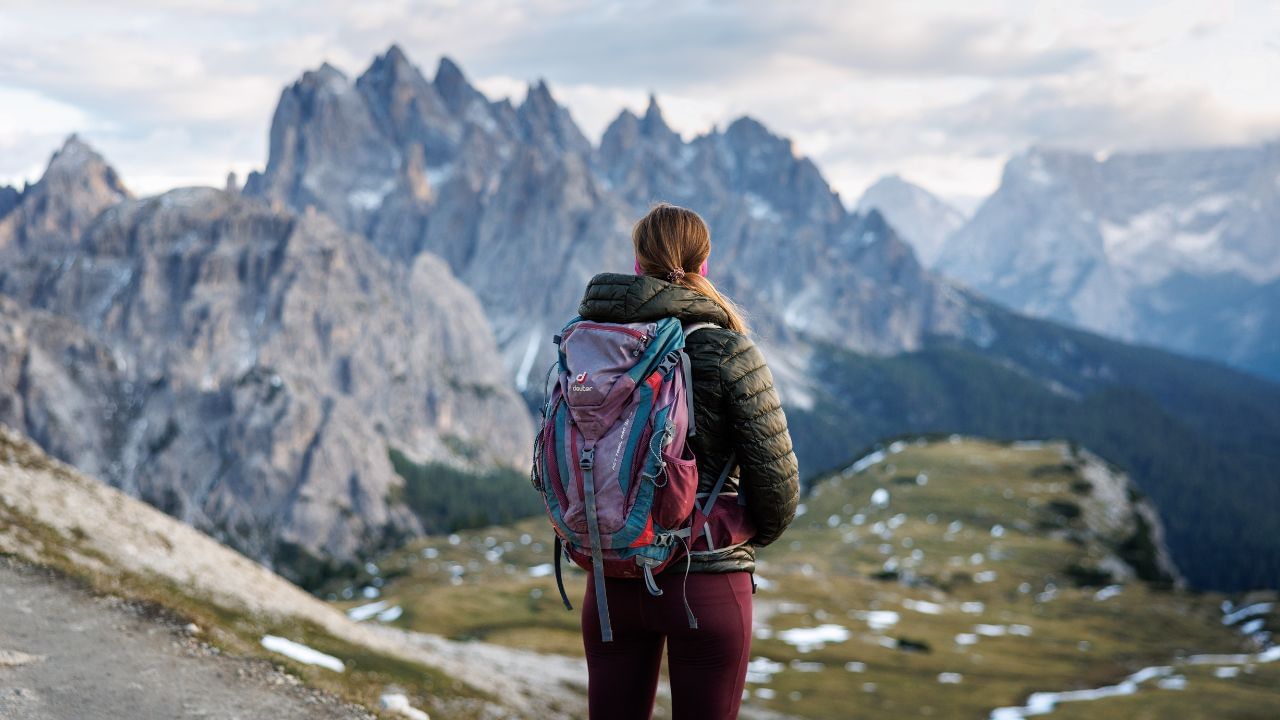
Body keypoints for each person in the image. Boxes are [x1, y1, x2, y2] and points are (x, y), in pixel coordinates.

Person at [575, 202, 800, 719]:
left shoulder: (591, 344)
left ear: (637, 263)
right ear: (705, 264)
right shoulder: (727, 350)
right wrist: (728, 536)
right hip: (704, 581)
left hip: (613, 577)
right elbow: (778, 492)